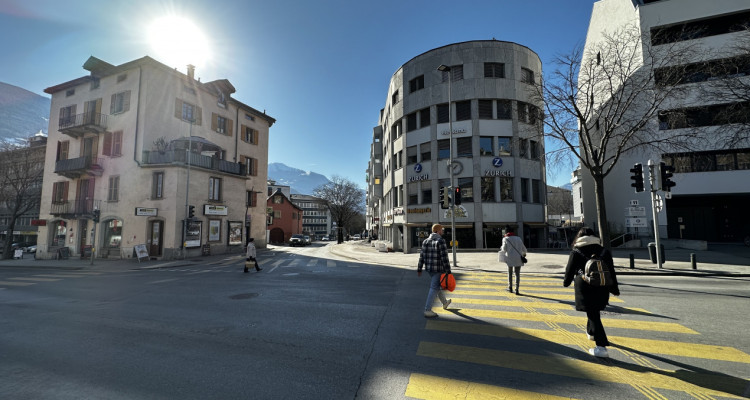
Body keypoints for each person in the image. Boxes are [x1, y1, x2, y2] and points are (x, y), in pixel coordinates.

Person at [563, 227, 620, 358]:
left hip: (585, 286)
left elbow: (569, 270)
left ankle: (601, 347)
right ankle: (591, 333)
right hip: (602, 286)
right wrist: (614, 289)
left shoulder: (577, 251)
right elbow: (611, 271)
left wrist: (566, 282)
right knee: (593, 311)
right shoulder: (603, 250)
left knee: (593, 314)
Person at [417, 223, 452, 318]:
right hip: (438, 269)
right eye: (441, 230)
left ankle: (444, 303)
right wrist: (448, 271)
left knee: (437, 285)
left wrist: (419, 268)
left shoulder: (425, 241)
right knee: (434, 287)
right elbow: (444, 257)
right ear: (437, 231)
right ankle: (427, 310)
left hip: (429, 269)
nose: (443, 231)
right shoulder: (441, 241)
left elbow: (422, 257)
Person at [500, 225, 527, 295]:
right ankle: (517, 289)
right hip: (518, 258)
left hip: (510, 259)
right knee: (517, 274)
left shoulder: (505, 239)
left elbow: (504, 249)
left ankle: (510, 288)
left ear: (506, 232)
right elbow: (524, 250)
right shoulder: (518, 238)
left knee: (510, 273)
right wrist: (523, 255)